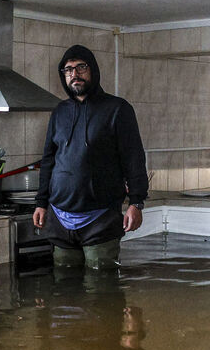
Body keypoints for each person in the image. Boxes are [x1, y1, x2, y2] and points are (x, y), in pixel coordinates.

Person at [33, 44, 149, 269]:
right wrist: (41, 203)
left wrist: (136, 202)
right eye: (68, 70)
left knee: (101, 284)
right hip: (60, 216)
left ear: (93, 70)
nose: (74, 74)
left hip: (101, 217)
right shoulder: (59, 112)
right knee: (64, 283)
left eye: (81, 67)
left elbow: (133, 158)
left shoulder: (118, 109)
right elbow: (48, 160)